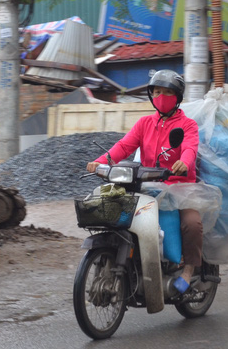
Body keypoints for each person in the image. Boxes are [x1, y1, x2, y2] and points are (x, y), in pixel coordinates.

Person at [86, 69, 202, 294]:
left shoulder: (187, 125)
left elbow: (190, 147)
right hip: (148, 186)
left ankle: (188, 270)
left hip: (180, 188)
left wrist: (185, 162)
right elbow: (123, 147)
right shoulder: (144, 123)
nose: (161, 96)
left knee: (191, 223)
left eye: (167, 92)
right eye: (156, 91)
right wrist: (100, 162)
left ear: (177, 97)